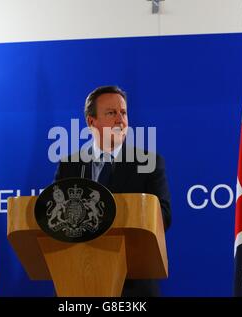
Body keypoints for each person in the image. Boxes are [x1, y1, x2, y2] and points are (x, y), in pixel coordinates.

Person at [54, 85, 172, 296]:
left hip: (134, 287)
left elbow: (164, 216)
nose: (121, 120)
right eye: (111, 113)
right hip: (79, 281)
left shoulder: (150, 163)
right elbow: (56, 215)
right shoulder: (70, 165)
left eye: (124, 112)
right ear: (91, 122)